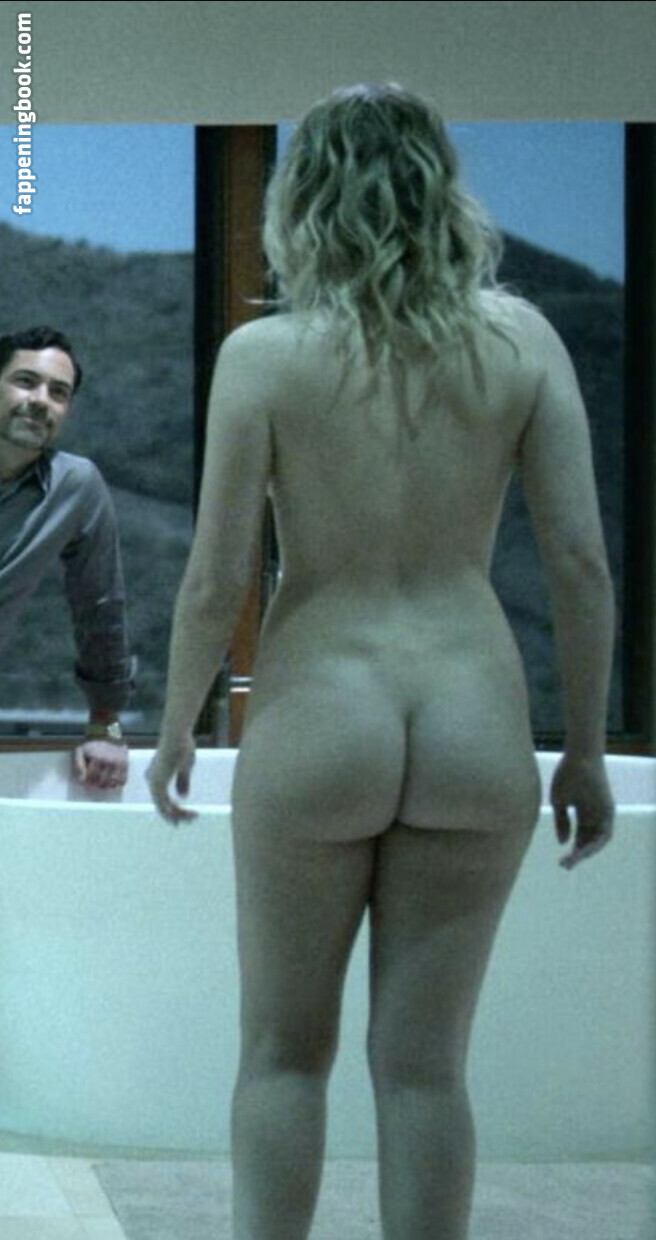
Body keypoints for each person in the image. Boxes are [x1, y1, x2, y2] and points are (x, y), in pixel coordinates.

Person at [147, 85, 615, 1240]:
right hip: (471, 714)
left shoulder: (263, 354)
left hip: (319, 713)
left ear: (300, 199)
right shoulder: (522, 341)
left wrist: (174, 727)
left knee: (282, 1054)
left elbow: (215, 577)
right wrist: (585, 749)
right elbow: (577, 563)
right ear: (442, 188)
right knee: (423, 1071)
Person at [0, 325, 132, 789]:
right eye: (25, 382)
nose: (41, 401)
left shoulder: (74, 486)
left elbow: (101, 609)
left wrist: (106, 727)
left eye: (58, 392)